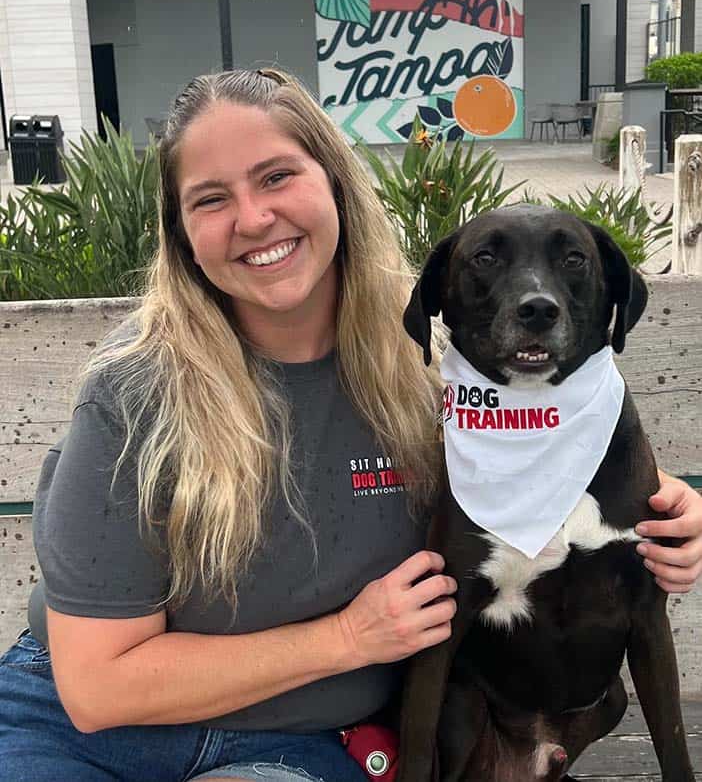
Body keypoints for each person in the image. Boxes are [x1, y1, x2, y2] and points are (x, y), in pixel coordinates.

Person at [0, 68, 700, 782]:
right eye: (211, 198)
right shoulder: (134, 392)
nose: (252, 218)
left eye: (276, 176)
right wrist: (347, 638)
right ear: (180, 233)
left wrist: (670, 509)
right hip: (84, 733)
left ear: (335, 181)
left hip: (301, 744)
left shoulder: (432, 357)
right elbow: (96, 690)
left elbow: (542, 449)